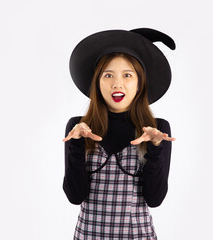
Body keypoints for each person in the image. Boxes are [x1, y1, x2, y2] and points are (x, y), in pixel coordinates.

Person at [63, 28, 176, 240]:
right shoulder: (78, 127)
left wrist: (155, 148)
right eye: (108, 75)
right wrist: (76, 145)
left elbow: (155, 199)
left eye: (127, 75)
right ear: (97, 82)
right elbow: (74, 196)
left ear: (139, 83)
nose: (117, 83)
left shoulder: (157, 129)